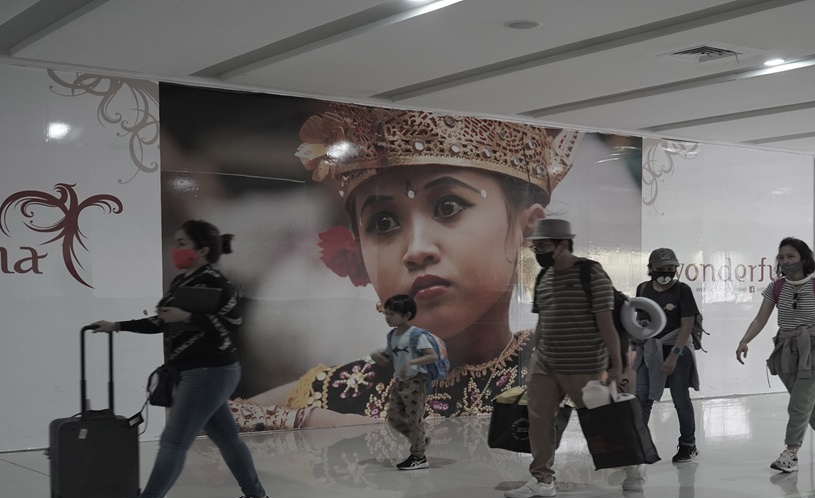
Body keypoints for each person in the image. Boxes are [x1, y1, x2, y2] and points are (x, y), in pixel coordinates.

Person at [231, 103, 582, 432]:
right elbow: (202, 428)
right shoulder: (343, 393)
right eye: (383, 223)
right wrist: (307, 424)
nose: (416, 250)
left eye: (448, 207)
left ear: (527, 229)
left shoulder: (573, 369)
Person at [91, 220, 272, 498]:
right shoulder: (181, 281)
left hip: (210, 372)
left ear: (202, 250)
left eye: (182, 243)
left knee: (173, 441)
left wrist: (188, 316)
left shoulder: (216, 282)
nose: (175, 249)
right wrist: (117, 325)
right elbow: (162, 322)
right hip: (195, 372)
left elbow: (234, 321)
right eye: (175, 242)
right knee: (227, 438)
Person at [506, 218, 624, 498]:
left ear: (563, 244)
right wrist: (535, 354)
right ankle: (542, 479)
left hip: (584, 364)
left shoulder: (590, 273)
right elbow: (543, 321)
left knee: (600, 422)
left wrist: (617, 364)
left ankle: (631, 464)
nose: (538, 252)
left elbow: (606, 323)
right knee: (539, 418)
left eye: (544, 246)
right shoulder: (543, 277)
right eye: (535, 247)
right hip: (546, 362)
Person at [735, 237, 815, 474]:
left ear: (803, 258)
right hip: (787, 348)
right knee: (808, 400)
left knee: (800, 401)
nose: (785, 261)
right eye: (781, 257)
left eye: (791, 256)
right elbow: (761, 318)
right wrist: (744, 340)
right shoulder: (776, 287)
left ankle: (791, 452)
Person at [633, 248, 700, 465]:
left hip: (676, 348)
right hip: (650, 350)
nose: (667, 273)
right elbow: (640, 320)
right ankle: (639, 446)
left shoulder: (682, 290)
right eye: (662, 269)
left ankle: (688, 444)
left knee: (680, 399)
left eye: (671, 269)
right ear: (651, 269)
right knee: (642, 399)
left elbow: (687, 325)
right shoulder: (643, 288)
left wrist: (674, 355)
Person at [371, 294, 439, 471]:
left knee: (415, 420)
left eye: (392, 314)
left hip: (416, 382)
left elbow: (432, 355)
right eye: (386, 313)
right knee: (393, 417)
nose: (388, 317)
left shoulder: (416, 335)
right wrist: (377, 356)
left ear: (407, 315)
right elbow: (389, 354)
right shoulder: (392, 335)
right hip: (400, 382)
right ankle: (420, 442)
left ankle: (419, 456)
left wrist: (411, 363)